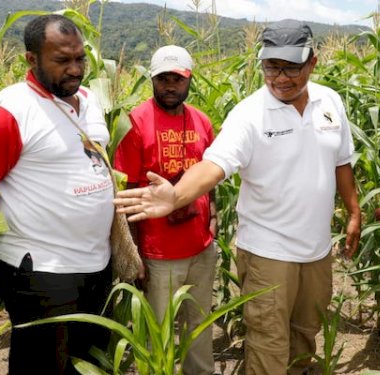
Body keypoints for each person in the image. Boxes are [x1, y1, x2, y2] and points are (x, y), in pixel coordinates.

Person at [114, 20, 360, 375]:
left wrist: (353, 211)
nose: (280, 77)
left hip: (318, 251)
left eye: (291, 67)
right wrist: (177, 196)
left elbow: (341, 161)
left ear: (313, 63)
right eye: (271, 67)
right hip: (268, 252)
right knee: (268, 345)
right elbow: (215, 164)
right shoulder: (248, 114)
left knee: (306, 334)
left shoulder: (330, 102)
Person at [0, 14, 113, 374]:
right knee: (41, 365)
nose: (75, 69)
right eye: (62, 60)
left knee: (89, 362)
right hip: (41, 270)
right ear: (31, 59)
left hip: (96, 263)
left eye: (80, 58)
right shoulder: (9, 111)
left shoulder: (88, 99)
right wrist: (19, 219)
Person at [113, 45, 217, 375]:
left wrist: (213, 218)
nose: (170, 85)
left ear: (189, 80)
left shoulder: (202, 121)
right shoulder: (134, 123)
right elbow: (125, 193)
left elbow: (211, 176)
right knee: (156, 333)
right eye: (162, 79)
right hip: (158, 254)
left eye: (177, 78)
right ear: (152, 80)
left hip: (201, 248)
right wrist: (132, 255)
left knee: (198, 325)